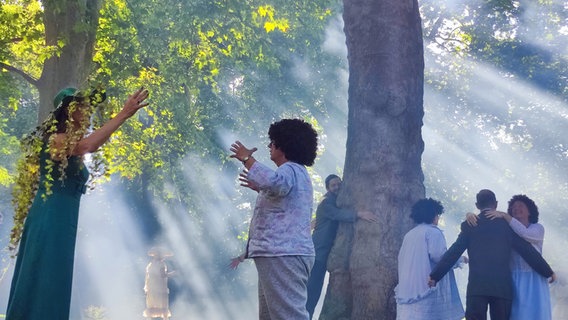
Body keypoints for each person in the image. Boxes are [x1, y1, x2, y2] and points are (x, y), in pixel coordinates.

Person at [7, 86, 149, 319]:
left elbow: (89, 145)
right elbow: (88, 146)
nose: (88, 110)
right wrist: (123, 114)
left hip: (63, 218)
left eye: (90, 106)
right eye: (83, 105)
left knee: (55, 275)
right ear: (68, 110)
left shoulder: (71, 141)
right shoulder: (56, 139)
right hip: (50, 216)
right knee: (47, 273)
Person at [229, 118, 318, 320]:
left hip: (283, 254)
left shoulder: (289, 170)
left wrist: (247, 160)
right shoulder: (296, 173)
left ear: (284, 145)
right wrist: (260, 187)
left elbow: (276, 184)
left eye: (273, 142)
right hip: (282, 254)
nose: (269, 146)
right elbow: (279, 193)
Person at [429, 189, 556, 320]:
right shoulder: (506, 225)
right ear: (496, 204)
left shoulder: (470, 225)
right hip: (502, 288)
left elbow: (454, 252)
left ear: (477, 205)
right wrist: (547, 271)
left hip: (477, 286)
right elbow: (526, 250)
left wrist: (435, 275)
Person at [466, 194, 552, 320]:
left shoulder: (537, 228)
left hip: (533, 279)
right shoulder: (507, 227)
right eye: (513, 207)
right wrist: (470, 215)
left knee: (535, 314)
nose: (516, 208)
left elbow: (524, 234)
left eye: (521, 206)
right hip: (513, 279)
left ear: (530, 211)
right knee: (516, 315)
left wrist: (505, 216)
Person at [306, 174, 377, 319]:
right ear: (327, 188)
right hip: (318, 253)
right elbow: (336, 214)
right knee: (312, 291)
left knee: (314, 291)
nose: (337, 187)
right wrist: (360, 214)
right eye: (333, 185)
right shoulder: (326, 202)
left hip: (323, 253)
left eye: (339, 184)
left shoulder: (335, 201)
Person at [395, 198, 466, 320]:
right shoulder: (433, 232)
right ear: (433, 215)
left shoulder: (410, 234)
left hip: (407, 287)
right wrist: (460, 259)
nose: (438, 218)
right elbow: (440, 257)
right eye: (437, 215)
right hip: (426, 287)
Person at [144, 247, 174, 320]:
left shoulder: (151, 264)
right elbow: (163, 275)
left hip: (151, 287)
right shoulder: (161, 264)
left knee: (151, 306)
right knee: (163, 306)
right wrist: (172, 274)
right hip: (159, 287)